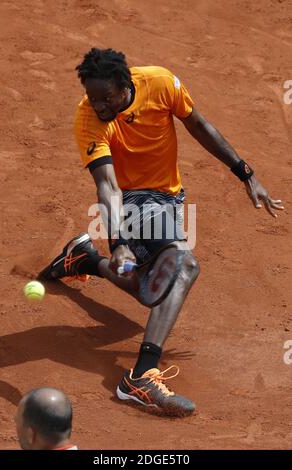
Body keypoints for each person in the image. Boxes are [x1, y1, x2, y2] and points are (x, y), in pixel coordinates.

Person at [39, 48, 284, 417]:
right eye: (93, 97)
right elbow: (107, 185)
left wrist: (245, 173)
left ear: (127, 86)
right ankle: (140, 377)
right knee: (184, 266)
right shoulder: (88, 119)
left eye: (107, 98)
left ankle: (85, 257)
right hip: (131, 200)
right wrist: (119, 241)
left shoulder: (161, 82)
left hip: (169, 197)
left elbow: (198, 124)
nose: (100, 106)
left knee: (152, 291)